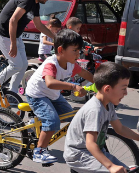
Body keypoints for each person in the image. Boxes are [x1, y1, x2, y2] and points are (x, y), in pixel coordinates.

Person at [23, 29, 94, 163]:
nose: (78, 54)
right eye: (75, 50)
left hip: (52, 95)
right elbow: (50, 83)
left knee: (71, 116)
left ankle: (36, 124)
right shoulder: (51, 64)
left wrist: (102, 84)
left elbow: (86, 74)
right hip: (37, 94)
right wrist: (73, 86)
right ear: (61, 50)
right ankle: (39, 151)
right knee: (52, 121)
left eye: (79, 50)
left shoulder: (71, 64)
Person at [0, 0, 56, 93]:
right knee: (16, 65)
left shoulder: (35, 4)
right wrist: (13, 43)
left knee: (23, 65)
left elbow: (39, 25)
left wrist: (55, 37)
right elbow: (13, 20)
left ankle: (12, 93)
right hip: (3, 35)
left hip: (16, 36)